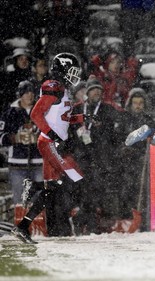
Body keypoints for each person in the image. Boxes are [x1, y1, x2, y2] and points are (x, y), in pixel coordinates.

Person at [11, 52, 87, 243]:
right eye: (71, 70)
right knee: (76, 178)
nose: (74, 74)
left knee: (51, 190)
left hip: (53, 143)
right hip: (49, 143)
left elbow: (63, 118)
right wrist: (52, 135)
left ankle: (23, 226)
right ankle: (36, 188)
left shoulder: (63, 89)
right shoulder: (53, 87)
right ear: (61, 69)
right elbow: (36, 114)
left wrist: (83, 118)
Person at [70, 77, 123, 234]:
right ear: (87, 92)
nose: (96, 93)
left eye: (99, 90)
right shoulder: (78, 109)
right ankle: (85, 221)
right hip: (81, 157)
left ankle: (86, 221)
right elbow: (71, 131)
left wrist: (102, 130)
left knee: (95, 191)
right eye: (93, 90)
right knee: (85, 190)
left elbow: (115, 134)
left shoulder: (107, 109)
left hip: (101, 158)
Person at [0, 81, 43, 205]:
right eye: (26, 92)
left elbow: (52, 134)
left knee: (39, 202)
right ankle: (21, 224)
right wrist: (16, 138)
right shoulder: (9, 113)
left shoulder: (42, 111)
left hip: (39, 163)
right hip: (17, 164)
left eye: (32, 92)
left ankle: (37, 224)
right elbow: (1, 137)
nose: (30, 95)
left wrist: (38, 139)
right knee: (20, 202)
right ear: (20, 95)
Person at [118, 88, 155, 218]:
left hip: (142, 161)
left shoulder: (150, 121)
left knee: (141, 190)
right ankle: (126, 216)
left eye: (141, 103)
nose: (138, 106)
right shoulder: (124, 119)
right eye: (135, 103)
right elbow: (117, 138)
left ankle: (142, 216)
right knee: (125, 190)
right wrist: (123, 149)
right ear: (130, 104)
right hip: (125, 162)